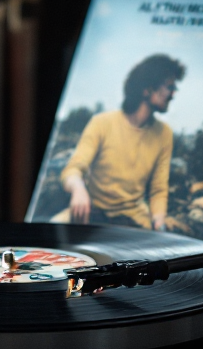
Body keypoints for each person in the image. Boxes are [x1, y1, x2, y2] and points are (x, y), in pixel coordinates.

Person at [60, 54, 184, 230]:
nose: (173, 94)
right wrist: (78, 189)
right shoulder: (101, 122)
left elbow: (158, 189)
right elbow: (73, 169)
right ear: (147, 89)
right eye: (169, 87)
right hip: (92, 214)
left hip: (133, 221)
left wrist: (159, 223)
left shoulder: (164, 133)